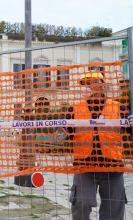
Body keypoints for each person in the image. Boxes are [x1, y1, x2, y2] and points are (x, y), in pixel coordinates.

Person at [66, 72, 130, 220]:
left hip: (112, 167)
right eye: (83, 84)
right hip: (84, 167)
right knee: (81, 204)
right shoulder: (74, 110)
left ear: (101, 85)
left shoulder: (119, 108)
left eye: (89, 83)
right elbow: (65, 134)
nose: (85, 87)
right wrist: (60, 130)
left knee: (113, 212)